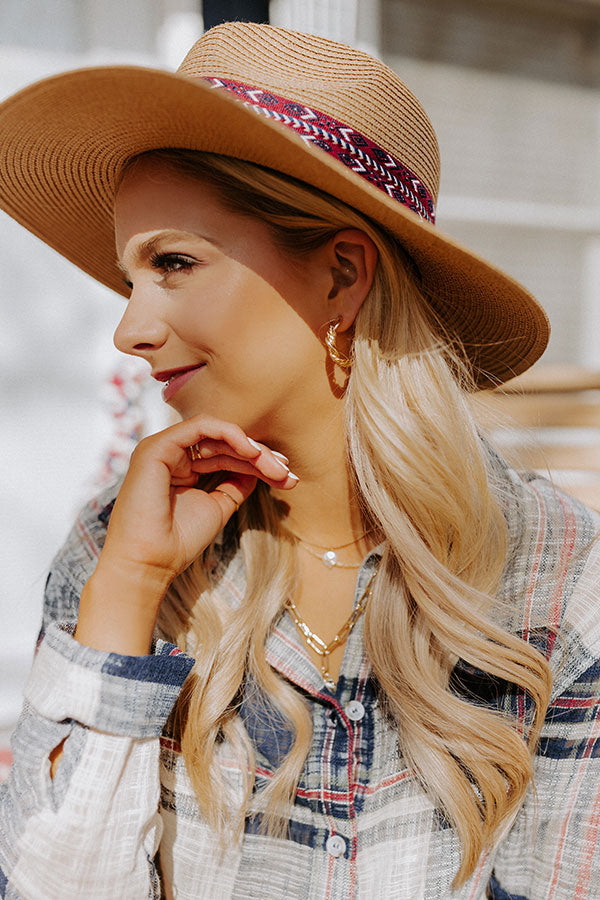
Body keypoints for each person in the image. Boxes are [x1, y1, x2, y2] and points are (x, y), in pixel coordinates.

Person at [0, 20, 598, 900]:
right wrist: (127, 588)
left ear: (342, 275)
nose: (130, 329)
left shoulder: (559, 576)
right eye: (132, 280)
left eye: (173, 263)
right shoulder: (117, 549)